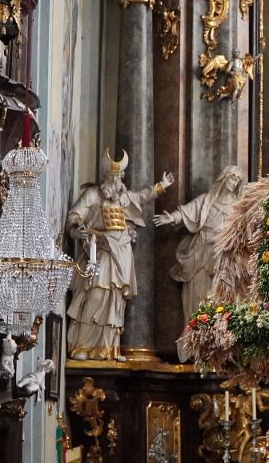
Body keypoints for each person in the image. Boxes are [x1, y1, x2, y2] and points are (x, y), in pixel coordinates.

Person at [65, 150, 174, 361]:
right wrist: (77, 228)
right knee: (96, 294)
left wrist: (161, 186)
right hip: (101, 250)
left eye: (118, 177)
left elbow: (142, 196)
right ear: (104, 177)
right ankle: (82, 346)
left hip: (122, 252)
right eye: (112, 177)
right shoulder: (93, 194)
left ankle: (108, 350)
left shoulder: (124, 197)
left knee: (115, 299)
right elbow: (75, 215)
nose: (115, 181)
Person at [154, 166, 244, 319]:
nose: (234, 182)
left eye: (237, 180)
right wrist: (172, 217)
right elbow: (186, 211)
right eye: (232, 178)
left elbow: (241, 231)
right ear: (224, 178)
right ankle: (195, 327)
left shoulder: (237, 206)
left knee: (218, 293)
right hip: (200, 250)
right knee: (197, 291)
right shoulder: (207, 200)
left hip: (222, 254)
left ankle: (216, 327)